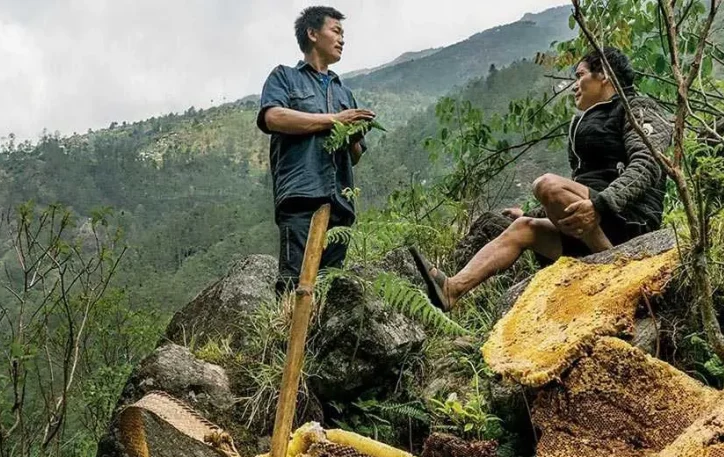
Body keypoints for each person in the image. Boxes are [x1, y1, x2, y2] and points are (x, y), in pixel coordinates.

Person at [410, 47, 673, 311]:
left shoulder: (637, 109)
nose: (574, 86)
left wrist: (601, 205)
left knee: (547, 185)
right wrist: (537, 211)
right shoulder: (587, 121)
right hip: (594, 222)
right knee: (526, 226)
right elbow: (581, 187)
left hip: (628, 221)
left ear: (603, 74)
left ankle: (615, 268)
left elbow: (647, 164)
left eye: (579, 75)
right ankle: (452, 289)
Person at [257, 6, 375, 293]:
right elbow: (273, 117)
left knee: (330, 291)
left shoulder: (344, 93)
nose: (342, 39)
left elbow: (355, 156)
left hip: (340, 202)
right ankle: (288, 338)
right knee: (293, 286)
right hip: (301, 195)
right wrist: (335, 120)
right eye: (336, 31)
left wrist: (353, 136)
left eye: (342, 34)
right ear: (312, 33)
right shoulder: (284, 77)